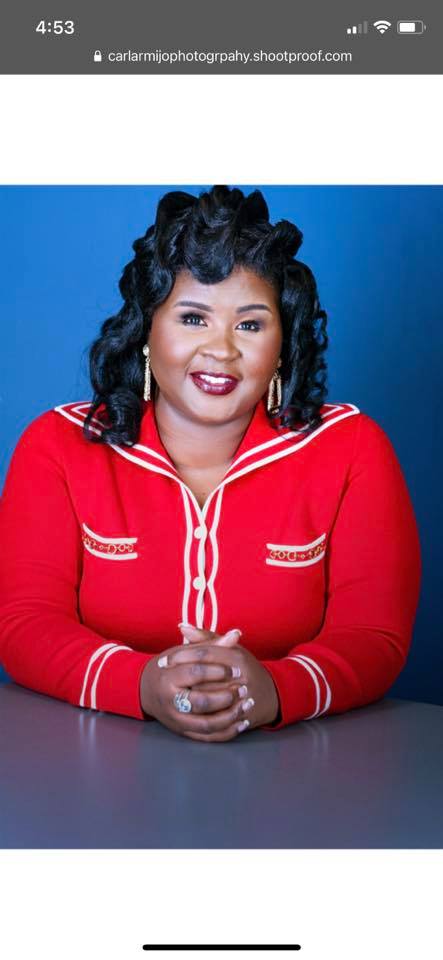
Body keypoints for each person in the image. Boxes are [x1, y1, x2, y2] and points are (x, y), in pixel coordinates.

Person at [0, 185, 421, 742]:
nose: (221, 350)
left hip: (302, 780)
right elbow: (23, 624)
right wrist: (146, 684)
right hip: (94, 762)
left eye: (250, 324)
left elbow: (373, 636)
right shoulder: (59, 444)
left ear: (281, 345)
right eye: (193, 318)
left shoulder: (353, 448)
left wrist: (268, 690)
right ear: (147, 330)